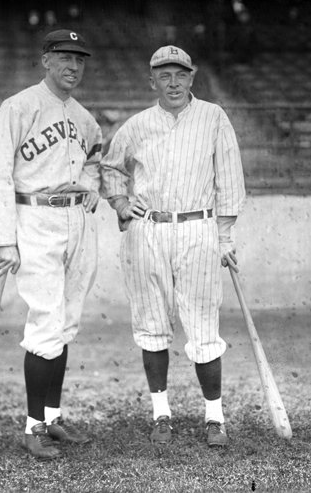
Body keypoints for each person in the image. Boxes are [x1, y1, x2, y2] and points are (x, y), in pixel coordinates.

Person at [101, 45, 245, 447]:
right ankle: (161, 414)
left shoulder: (214, 116)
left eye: (180, 74)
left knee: (203, 326)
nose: (173, 82)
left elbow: (229, 177)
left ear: (192, 76)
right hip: (149, 230)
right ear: (152, 81)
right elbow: (110, 167)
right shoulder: (137, 125)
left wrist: (226, 235)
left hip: (198, 228)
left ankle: (214, 417)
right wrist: (121, 203)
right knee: (151, 325)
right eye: (164, 75)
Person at [0, 29, 102, 460]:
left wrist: (90, 187)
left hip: (76, 219)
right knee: (46, 322)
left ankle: (51, 417)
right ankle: (33, 429)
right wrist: (3, 240)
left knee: (65, 322)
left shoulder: (85, 118)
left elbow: (94, 160)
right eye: (64, 57)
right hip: (34, 216)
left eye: (79, 59)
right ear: (45, 60)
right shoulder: (18, 107)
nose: (73, 66)